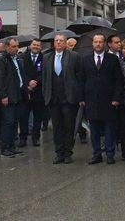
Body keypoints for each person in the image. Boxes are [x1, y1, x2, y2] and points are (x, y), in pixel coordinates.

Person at [79, 33, 123, 164]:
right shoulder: (85, 60)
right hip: (91, 100)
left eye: (100, 42)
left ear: (104, 44)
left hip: (109, 100)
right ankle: (96, 154)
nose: (98, 44)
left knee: (109, 128)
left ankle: (110, 154)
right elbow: (81, 80)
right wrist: (81, 98)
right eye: (95, 42)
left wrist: (116, 98)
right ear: (92, 43)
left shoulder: (112, 59)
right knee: (94, 130)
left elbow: (118, 80)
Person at [42, 33, 82, 164]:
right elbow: (45, 78)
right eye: (56, 41)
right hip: (53, 99)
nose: (58, 43)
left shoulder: (74, 56)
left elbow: (79, 76)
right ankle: (59, 153)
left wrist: (78, 95)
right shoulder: (47, 57)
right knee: (57, 127)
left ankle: (67, 152)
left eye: (61, 41)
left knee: (69, 126)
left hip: (69, 98)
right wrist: (45, 94)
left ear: (65, 43)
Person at [0, 38, 28, 158]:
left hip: (18, 94)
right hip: (8, 96)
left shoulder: (17, 59)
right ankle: (5, 148)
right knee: (8, 122)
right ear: (7, 47)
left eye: (17, 46)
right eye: (13, 46)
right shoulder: (2, 60)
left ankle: (12, 147)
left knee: (14, 122)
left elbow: (21, 76)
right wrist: (3, 95)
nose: (16, 48)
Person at [19, 39, 46, 146]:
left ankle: (36, 138)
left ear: (41, 47)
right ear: (30, 46)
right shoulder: (22, 58)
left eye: (38, 45)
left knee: (38, 118)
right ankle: (23, 138)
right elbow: (20, 73)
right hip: (26, 92)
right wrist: (28, 82)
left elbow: (45, 73)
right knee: (23, 117)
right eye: (34, 45)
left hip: (38, 92)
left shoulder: (44, 58)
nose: (36, 47)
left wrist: (36, 82)